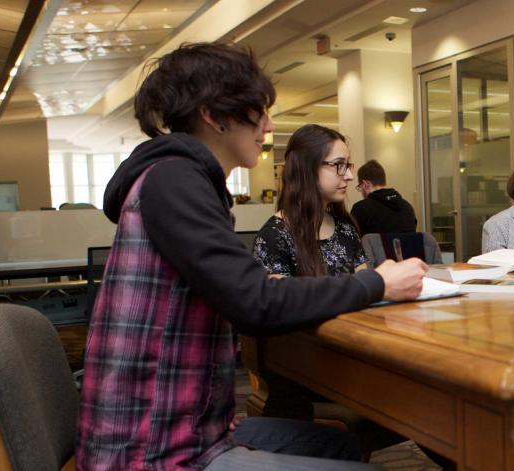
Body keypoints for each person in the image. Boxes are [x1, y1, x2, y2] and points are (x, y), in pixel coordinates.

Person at [75, 42, 426, 470]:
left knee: (342, 446)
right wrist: (379, 282)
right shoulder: (175, 181)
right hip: (153, 448)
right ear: (213, 114)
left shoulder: (176, 180)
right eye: (259, 111)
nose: (269, 125)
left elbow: (242, 293)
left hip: (185, 425)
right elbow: (254, 303)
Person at [254, 125, 368, 277]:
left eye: (348, 165)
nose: (349, 176)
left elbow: (365, 288)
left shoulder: (346, 229)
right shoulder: (274, 236)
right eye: (339, 165)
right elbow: (281, 299)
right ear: (307, 168)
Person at [350, 160, 418, 235]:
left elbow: (352, 242)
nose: (361, 191)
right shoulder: (408, 207)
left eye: (360, 187)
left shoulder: (360, 209)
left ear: (366, 184)